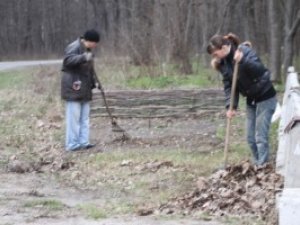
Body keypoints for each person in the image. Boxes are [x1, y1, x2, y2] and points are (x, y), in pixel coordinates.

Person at [206, 33, 277, 165]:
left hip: (266, 96)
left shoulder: (244, 51)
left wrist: (243, 60)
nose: (214, 57)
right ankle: (258, 163)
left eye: (215, 54)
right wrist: (231, 106)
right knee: (250, 138)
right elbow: (229, 86)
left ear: (224, 47)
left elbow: (261, 71)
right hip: (251, 100)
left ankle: (263, 166)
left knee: (260, 136)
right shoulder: (223, 64)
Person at [61, 29, 100, 151]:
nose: (96, 46)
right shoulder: (74, 46)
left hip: (85, 88)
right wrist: (83, 57)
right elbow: (67, 61)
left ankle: (84, 142)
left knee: (84, 118)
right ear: (89, 40)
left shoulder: (87, 50)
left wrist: (95, 83)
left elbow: (88, 70)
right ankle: (72, 144)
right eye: (95, 43)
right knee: (74, 118)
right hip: (73, 87)